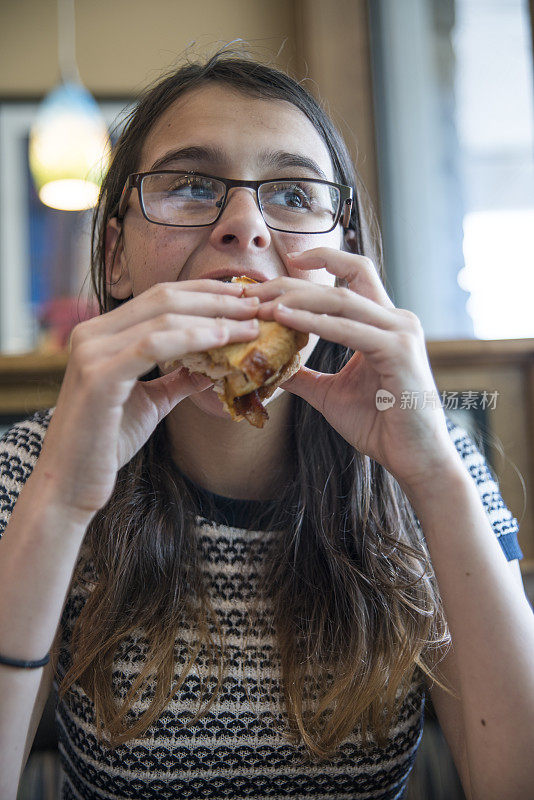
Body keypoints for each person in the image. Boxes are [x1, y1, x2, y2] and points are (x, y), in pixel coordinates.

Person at [0, 51, 532, 800]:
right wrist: (58, 503)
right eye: (191, 187)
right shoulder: (35, 468)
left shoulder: (433, 460)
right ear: (116, 257)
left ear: (340, 258)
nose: (245, 227)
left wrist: (435, 480)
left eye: (290, 193)